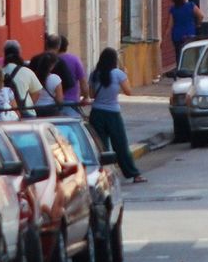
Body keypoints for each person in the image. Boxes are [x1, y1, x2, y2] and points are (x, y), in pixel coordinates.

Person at [88, 48, 145, 183]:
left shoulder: (94, 74)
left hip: (96, 113)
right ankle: (133, 174)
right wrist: (126, 75)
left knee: (101, 147)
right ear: (114, 60)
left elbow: (91, 95)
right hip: (113, 113)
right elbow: (128, 92)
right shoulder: (118, 74)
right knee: (121, 145)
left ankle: (104, 176)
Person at [0, 40, 42, 115]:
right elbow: (37, 92)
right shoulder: (27, 71)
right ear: (19, 53)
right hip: (26, 112)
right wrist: (28, 105)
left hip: (6, 115)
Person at [169, 0, 206, 67]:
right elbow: (201, 16)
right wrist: (198, 25)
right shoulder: (191, 6)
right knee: (190, 52)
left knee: (179, 54)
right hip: (189, 34)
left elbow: (170, 24)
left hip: (177, 35)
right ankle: (190, 68)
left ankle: (180, 68)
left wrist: (165, 37)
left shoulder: (173, 9)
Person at [52, 34, 89, 106]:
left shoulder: (50, 60)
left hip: (53, 100)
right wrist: (86, 97)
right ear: (66, 46)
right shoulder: (75, 60)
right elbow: (83, 82)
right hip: (71, 101)